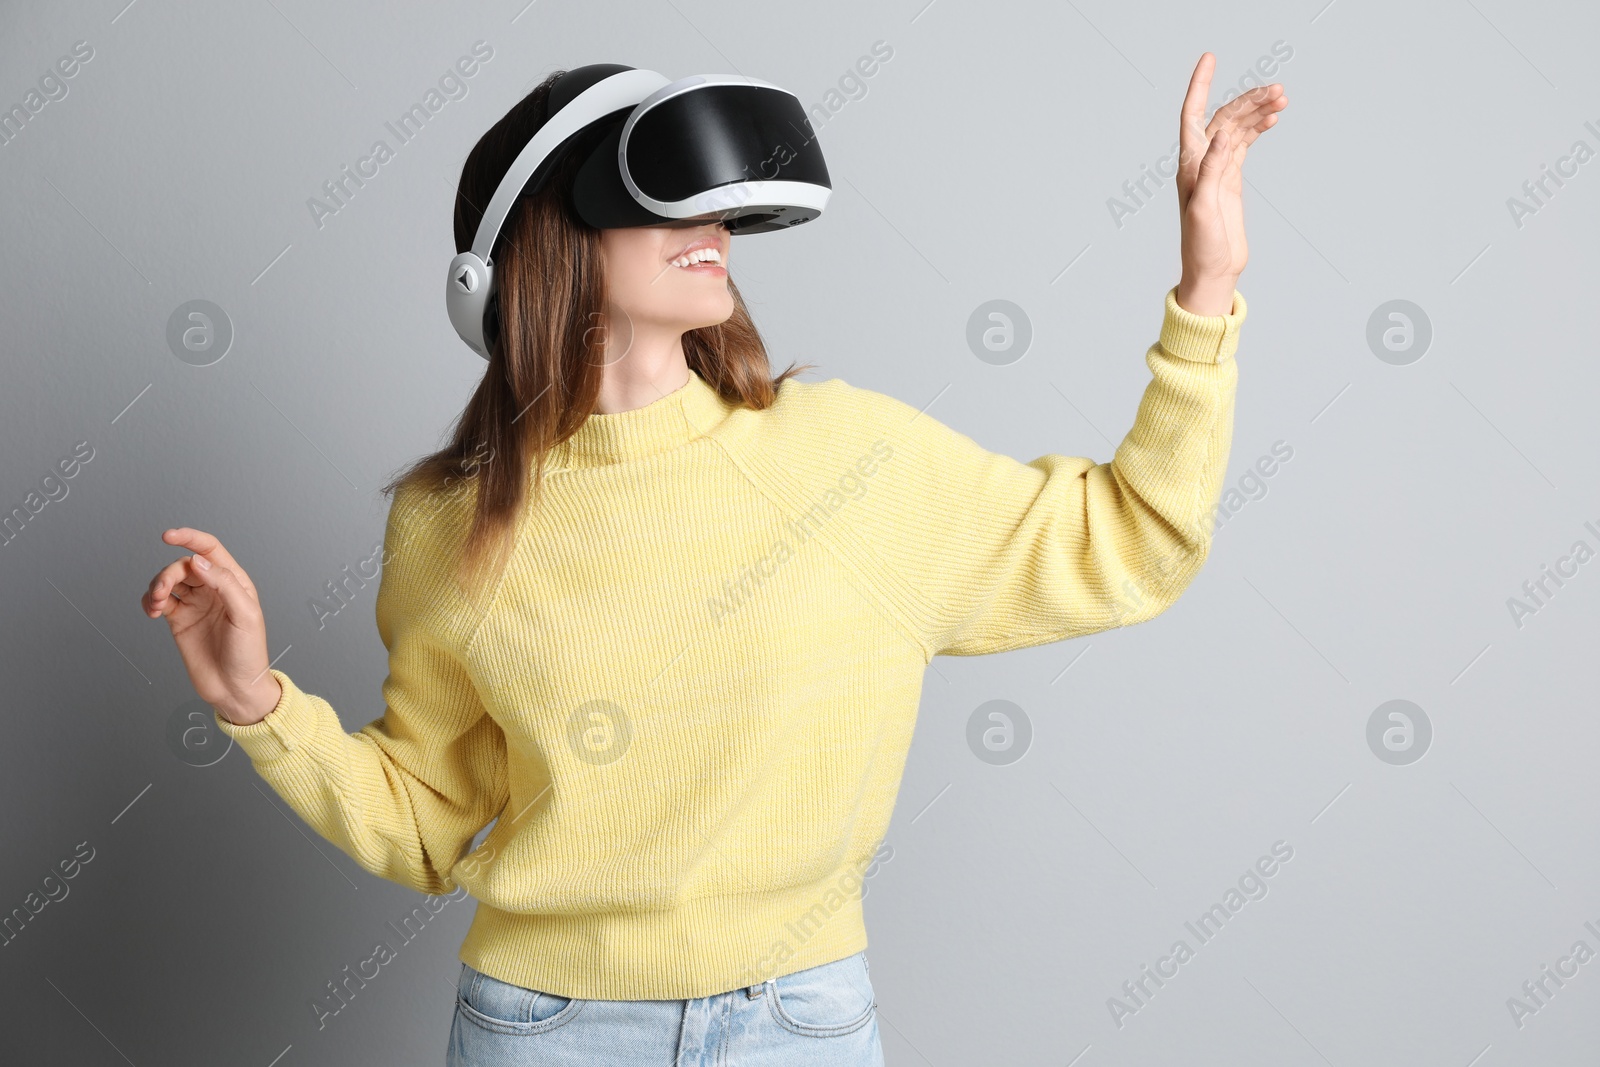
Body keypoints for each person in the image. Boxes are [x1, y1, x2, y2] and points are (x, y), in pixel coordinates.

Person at [141, 53, 1286, 1067]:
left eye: (718, 208)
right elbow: (429, 823)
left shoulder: (852, 457)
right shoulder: (450, 524)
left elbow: (1134, 542)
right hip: (545, 1030)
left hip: (802, 1021)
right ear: (545, 243)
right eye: (660, 206)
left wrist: (1206, 285)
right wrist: (258, 703)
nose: (713, 232)